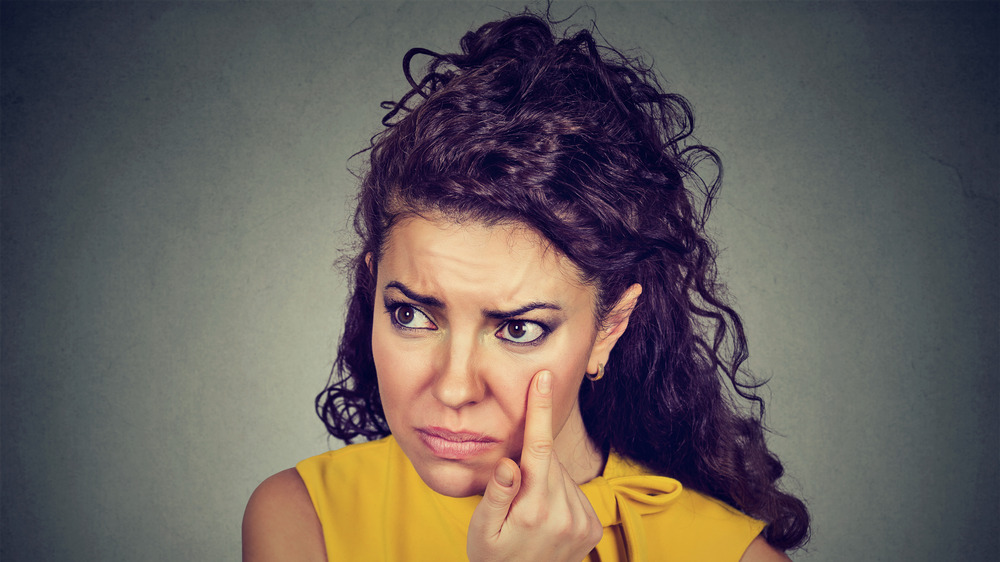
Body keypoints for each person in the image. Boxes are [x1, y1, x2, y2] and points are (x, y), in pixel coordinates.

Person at [243, 10, 809, 561]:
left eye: (517, 328)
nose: (454, 388)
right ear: (373, 293)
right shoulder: (303, 519)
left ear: (608, 328)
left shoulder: (726, 555)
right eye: (412, 315)